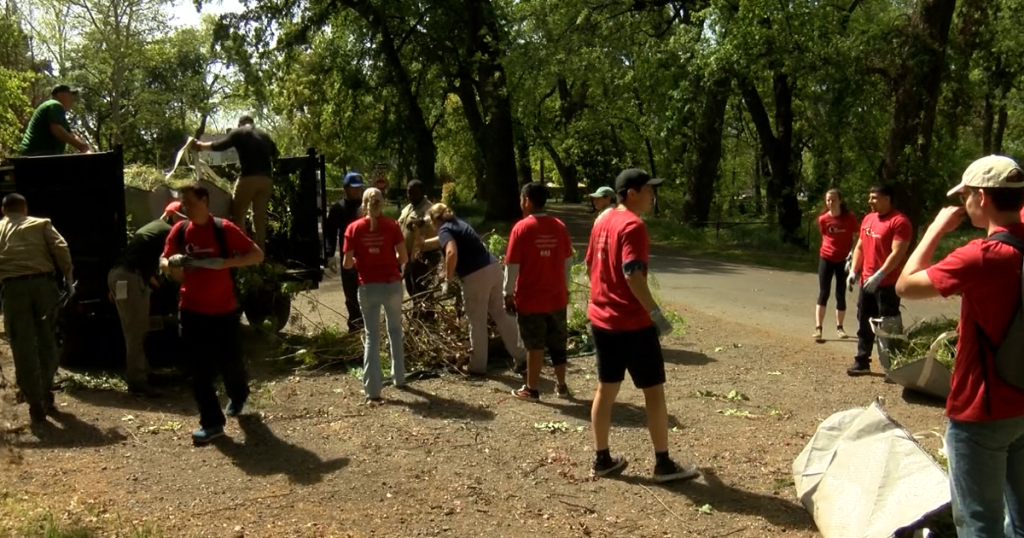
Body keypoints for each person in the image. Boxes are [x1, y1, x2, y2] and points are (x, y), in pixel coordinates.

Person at [896, 155, 1024, 538]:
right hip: (1022, 401)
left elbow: (906, 284)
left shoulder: (982, 256)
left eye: (966, 195)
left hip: (981, 410)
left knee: (978, 523)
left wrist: (935, 228)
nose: (964, 202)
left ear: (982, 197)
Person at [585, 168, 697, 483]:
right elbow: (633, 273)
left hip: (602, 320)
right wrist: (655, 313)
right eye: (648, 189)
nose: (652, 194)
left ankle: (602, 458)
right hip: (632, 322)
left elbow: (590, 263)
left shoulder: (603, 220)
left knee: (606, 390)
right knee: (653, 393)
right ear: (631, 192)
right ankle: (663, 464)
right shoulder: (633, 226)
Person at [160, 183, 264, 445]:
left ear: (205, 201)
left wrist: (226, 263)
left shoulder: (223, 229)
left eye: (190, 202)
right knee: (199, 370)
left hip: (223, 311)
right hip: (191, 310)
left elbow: (257, 255)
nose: (186, 207)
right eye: (183, 203)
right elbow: (164, 259)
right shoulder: (180, 231)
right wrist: (169, 264)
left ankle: (238, 394)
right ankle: (212, 423)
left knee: (230, 362)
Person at [420, 203, 526, 375]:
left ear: (436, 219)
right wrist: (424, 243)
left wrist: (447, 279)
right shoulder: (457, 223)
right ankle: (522, 356)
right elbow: (445, 240)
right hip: (492, 267)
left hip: (475, 275)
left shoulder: (444, 228)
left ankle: (477, 366)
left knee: (477, 320)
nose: (433, 227)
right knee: (501, 313)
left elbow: (451, 252)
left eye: (432, 223)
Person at [0, 193, 74, 423]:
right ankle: (45, 389)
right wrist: (69, 279)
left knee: (22, 345)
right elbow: (61, 248)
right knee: (48, 339)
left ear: (4, 211)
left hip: (13, 290)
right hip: (44, 288)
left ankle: (34, 401)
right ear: (24, 209)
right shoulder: (41, 224)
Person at [108, 201, 187, 396]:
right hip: (129, 278)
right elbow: (171, 261)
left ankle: (145, 372)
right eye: (182, 219)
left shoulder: (152, 227)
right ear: (171, 215)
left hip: (121, 276)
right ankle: (137, 380)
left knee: (135, 327)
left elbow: (141, 259)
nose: (184, 224)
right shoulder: (168, 230)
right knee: (136, 330)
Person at [506, 182, 574, 400]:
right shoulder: (559, 226)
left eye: (520, 199)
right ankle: (561, 386)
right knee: (557, 341)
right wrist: (565, 287)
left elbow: (512, 265)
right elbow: (567, 261)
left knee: (534, 344)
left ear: (526, 201)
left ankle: (531, 388)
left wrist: (507, 293)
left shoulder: (521, 228)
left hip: (531, 298)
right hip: (556, 297)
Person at [343, 188, 408, 406]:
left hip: (368, 287)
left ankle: (372, 389)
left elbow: (347, 263)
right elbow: (403, 256)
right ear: (382, 203)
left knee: (372, 336)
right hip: (392, 285)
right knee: (395, 330)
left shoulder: (353, 228)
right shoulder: (392, 226)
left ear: (363, 204)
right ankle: (399, 377)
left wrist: (364, 258)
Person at [845, 184, 911, 376]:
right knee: (863, 321)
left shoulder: (900, 222)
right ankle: (862, 361)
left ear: (887, 199)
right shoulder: (868, 219)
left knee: (887, 325)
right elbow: (859, 247)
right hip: (867, 282)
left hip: (887, 284)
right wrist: (854, 271)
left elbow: (898, 253)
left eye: (874, 197)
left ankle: (893, 367)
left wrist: (880, 274)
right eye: (870, 197)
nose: (870, 201)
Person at [192, 115, 279, 250]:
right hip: (266, 180)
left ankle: (242, 250)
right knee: (259, 216)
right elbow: (275, 153)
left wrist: (200, 146)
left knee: (237, 213)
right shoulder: (264, 135)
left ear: (241, 124)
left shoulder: (239, 132)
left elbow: (219, 145)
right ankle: (260, 252)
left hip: (249, 178)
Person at [814, 189, 858, 342]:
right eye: (828, 200)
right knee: (823, 292)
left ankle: (840, 327)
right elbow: (824, 235)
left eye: (833, 200)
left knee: (840, 293)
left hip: (842, 261)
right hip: (826, 258)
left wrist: (852, 253)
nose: (831, 203)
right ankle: (818, 328)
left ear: (840, 200)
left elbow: (856, 236)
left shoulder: (849, 218)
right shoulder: (823, 219)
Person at [325, 172, 367, 332]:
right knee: (350, 295)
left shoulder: (366, 207)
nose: (357, 191)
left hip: (367, 256)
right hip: (348, 258)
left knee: (367, 294)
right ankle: (355, 327)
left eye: (359, 188)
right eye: (353, 188)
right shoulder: (338, 209)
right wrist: (330, 255)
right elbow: (330, 233)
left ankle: (367, 326)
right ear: (345, 188)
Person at [19, 85, 90, 156]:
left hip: (39, 153)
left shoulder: (59, 114)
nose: (71, 99)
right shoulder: (54, 104)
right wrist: (82, 147)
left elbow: (71, 135)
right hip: (37, 153)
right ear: (60, 95)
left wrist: (85, 148)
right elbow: (57, 130)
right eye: (69, 95)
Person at [398, 180, 439, 297]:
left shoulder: (429, 208)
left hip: (424, 257)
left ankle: (427, 315)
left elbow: (429, 219)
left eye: (414, 193)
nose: (410, 196)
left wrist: (420, 221)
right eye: (408, 193)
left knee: (423, 291)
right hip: (408, 255)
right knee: (411, 288)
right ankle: (417, 314)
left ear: (422, 192)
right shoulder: (407, 209)